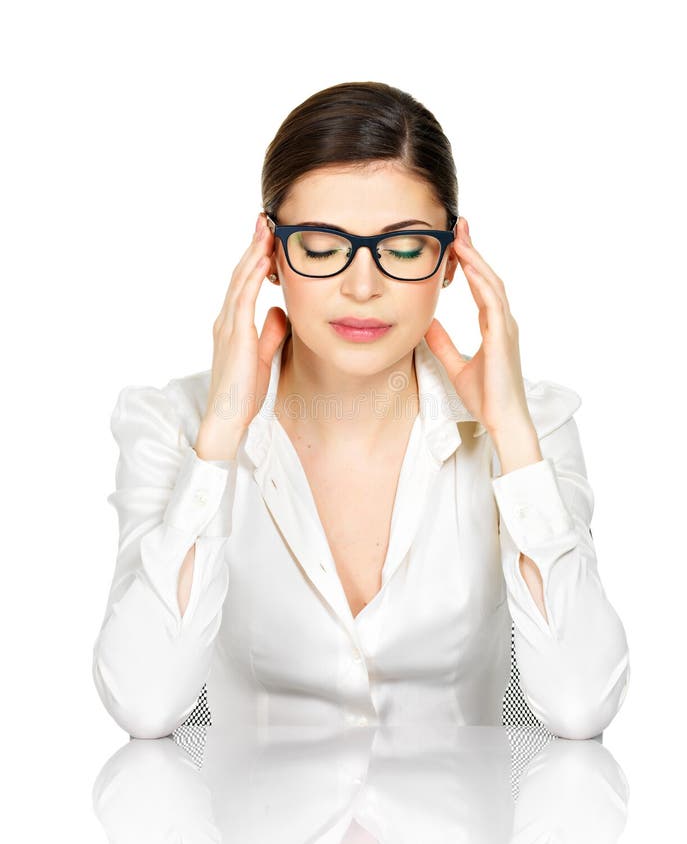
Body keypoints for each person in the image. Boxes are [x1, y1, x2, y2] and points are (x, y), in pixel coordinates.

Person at [92, 81, 631, 739]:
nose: (363, 285)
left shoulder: (530, 422)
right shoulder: (173, 425)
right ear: (269, 256)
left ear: (452, 257)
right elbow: (145, 706)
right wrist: (224, 430)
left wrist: (511, 436)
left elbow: (580, 709)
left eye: (404, 247)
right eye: (321, 246)